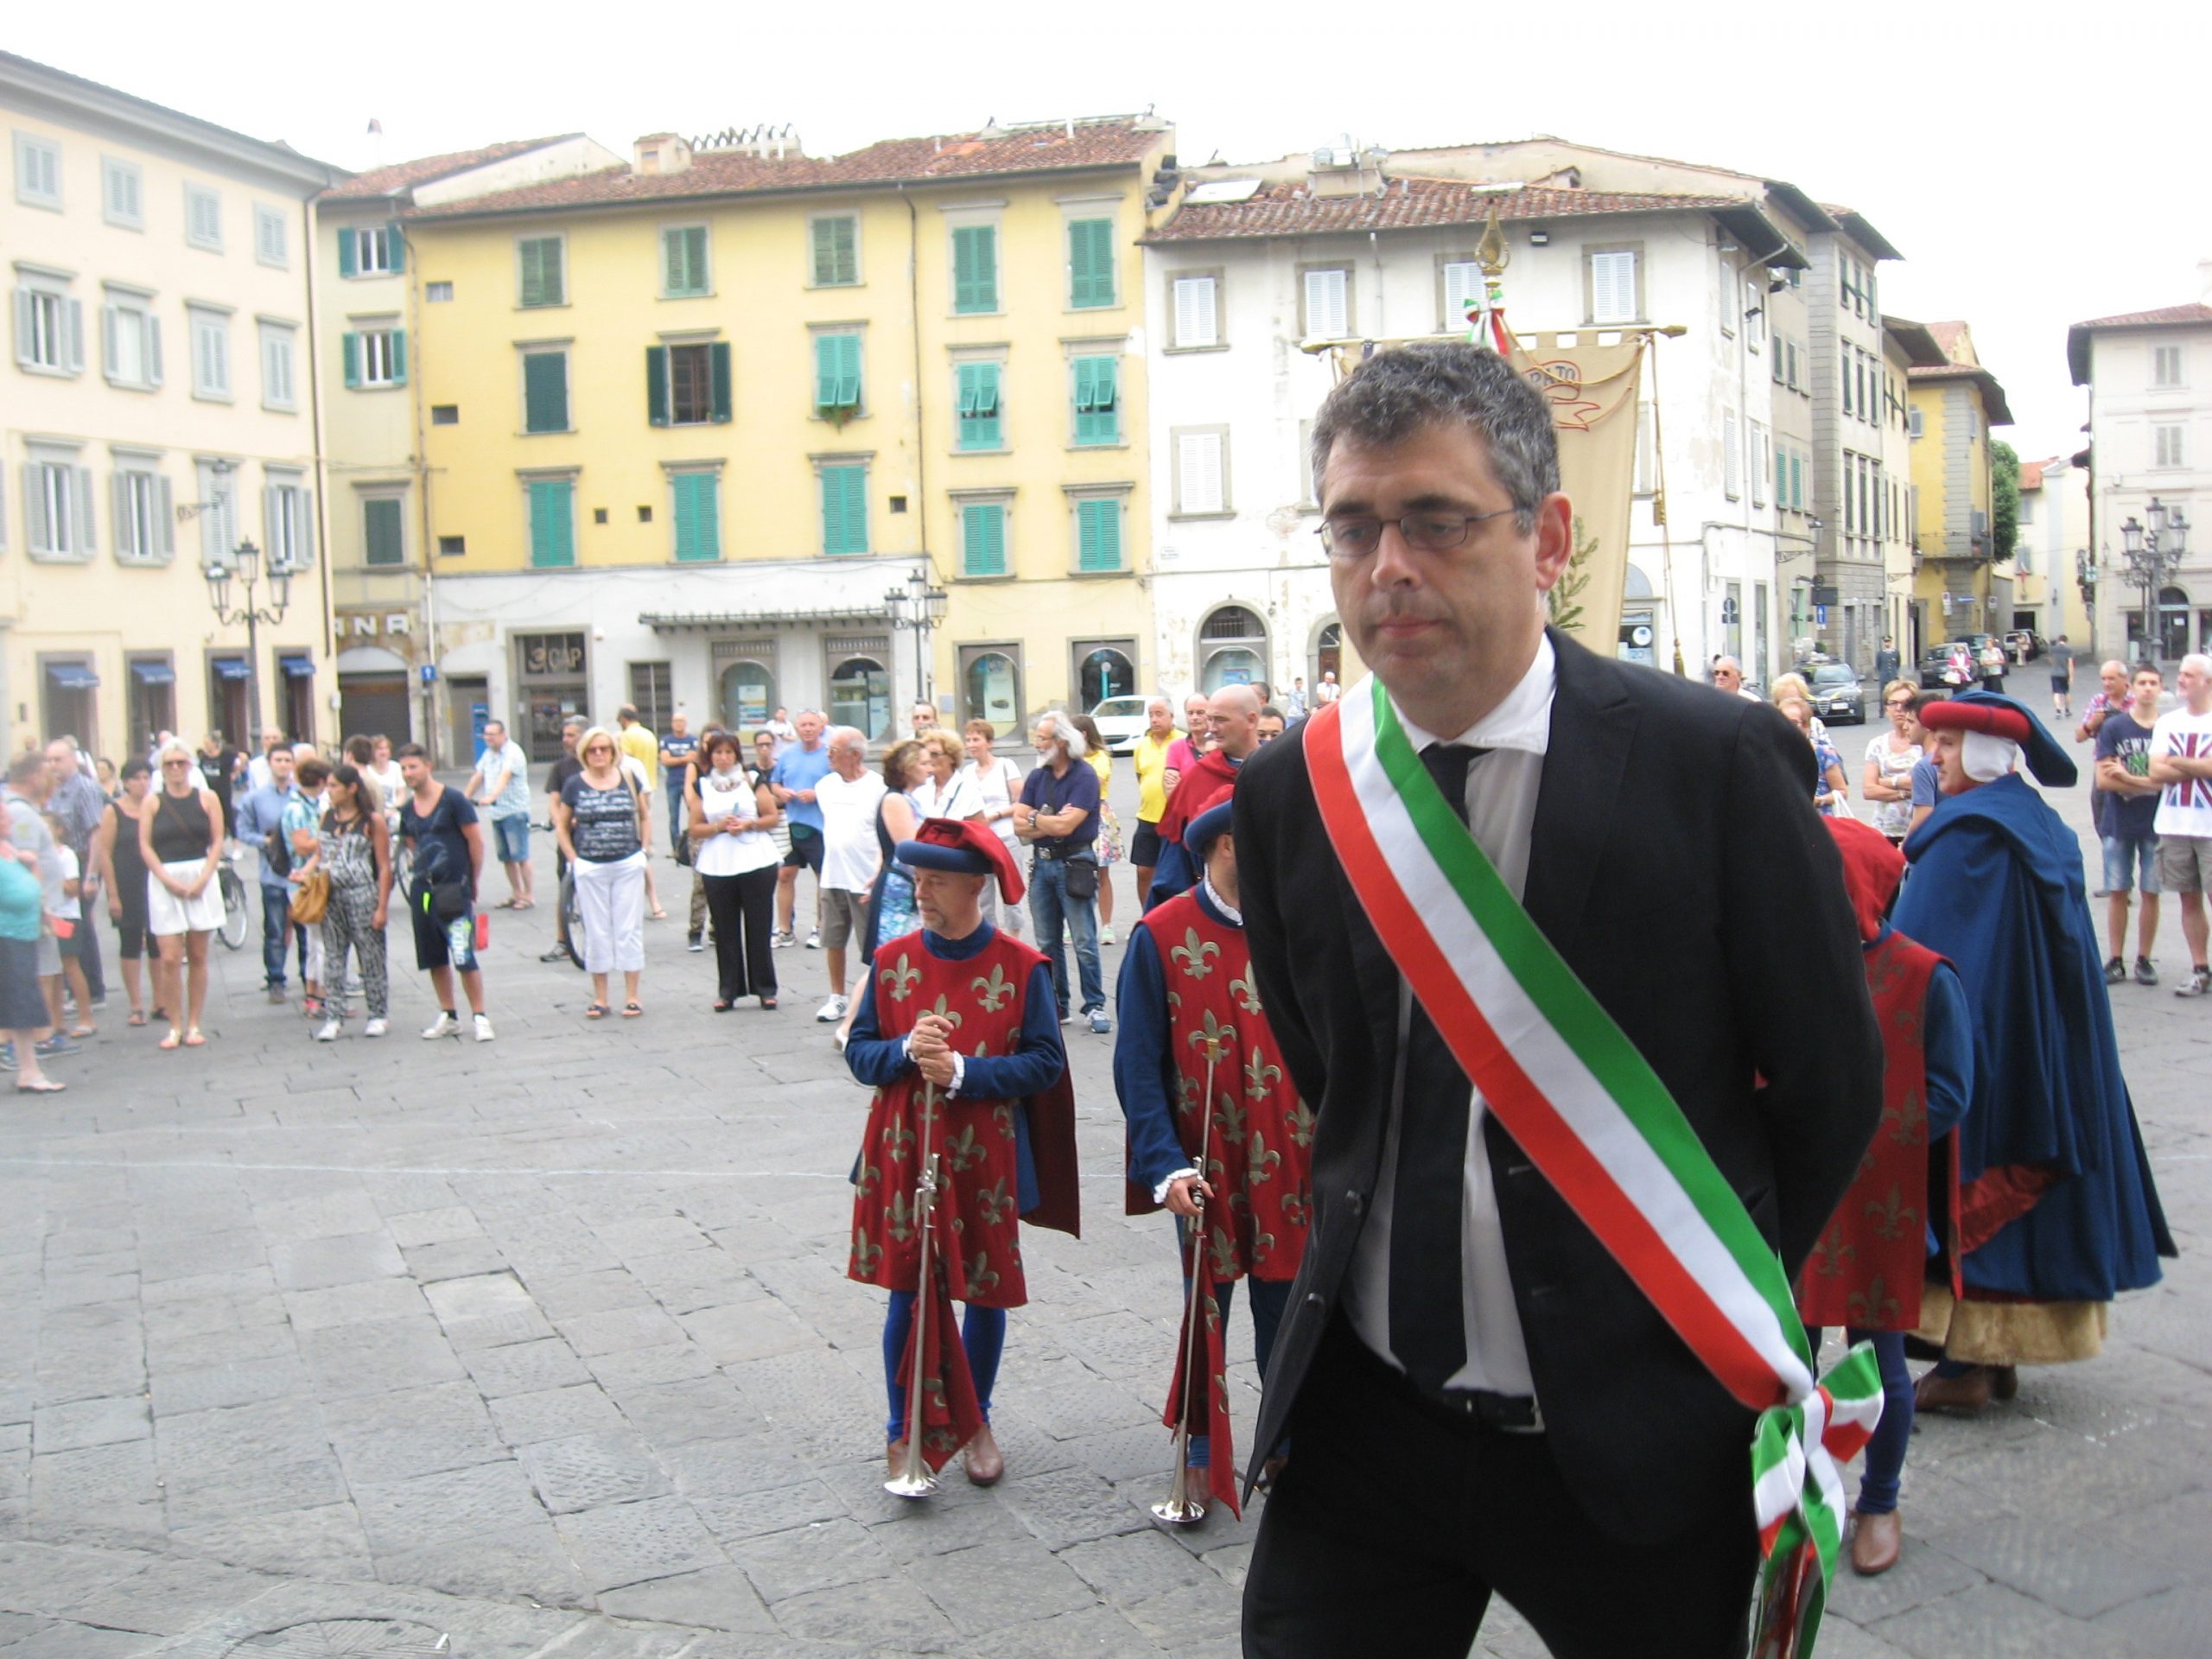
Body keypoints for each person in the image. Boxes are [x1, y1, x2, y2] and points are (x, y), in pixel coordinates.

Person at [1231, 341, 1880, 1657]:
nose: (1387, 567)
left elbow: (1830, 1084)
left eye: (1436, 520)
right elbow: (1331, 1074)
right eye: (1353, 528)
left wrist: (1683, 1288)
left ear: (1549, 538)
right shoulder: (1291, 791)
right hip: (1371, 1420)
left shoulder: (1714, 764)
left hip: (1643, 1437)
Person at [1899, 694, 2171, 1409]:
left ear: (1984, 753)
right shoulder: (2035, 821)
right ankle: (1995, 1355)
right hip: (2048, 1041)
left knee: (1972, 1171)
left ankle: (1969, 1361)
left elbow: (1925, 951)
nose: (1934, 756)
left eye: (1948, 745)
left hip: (1988, 1041)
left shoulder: (1969, 834)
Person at [842, 817, 1078, 1491]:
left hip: (984, 1156)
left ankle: (975, 1420)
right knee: (906, 1289)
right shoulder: (891, 960)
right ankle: (902, 1430)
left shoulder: (1022, 967)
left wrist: (964, 1072)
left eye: (936, 881)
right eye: (917, 880)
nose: (921, 893)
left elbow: (1044, 1063)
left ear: (976, 886)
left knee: (984, 1290)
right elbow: (860, 1053)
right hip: (903, 1148)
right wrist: (903, 1050)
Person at [1114, 798, 1311, 1521]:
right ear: (1228, 845)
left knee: (1287, 1306)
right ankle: (1199, 1450)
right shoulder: (1160, 934)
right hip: (1205, 1159)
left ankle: (1284, 1442)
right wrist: (1163, 1164)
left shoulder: (1297, 926)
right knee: (1208, 1306)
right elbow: (1137, 1063)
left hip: (1290, 1156)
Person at [1796, 817, 1973, 1577]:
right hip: (1800, 1191)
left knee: (1881, 1359)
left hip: (1878, 1197)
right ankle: (1793, 1486)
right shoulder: (1788, 963)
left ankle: (1881, 1500)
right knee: (1787, 1358)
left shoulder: (1926, 977)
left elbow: (1950, 1090)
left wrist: (1863, 1128)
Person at [1014, 711, 1108, 1033]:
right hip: (1041, 865)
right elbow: (1018, 825)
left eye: (1042, 738)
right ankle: (1057, 1006)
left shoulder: (1085, 776)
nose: (1037, 744)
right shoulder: (1037, 777)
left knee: (1083, 940)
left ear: (1062, 742)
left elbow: (1067, 827)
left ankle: (1094, 1005)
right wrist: (1047, 821)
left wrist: (1035, 819)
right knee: (1047, 942)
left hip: (1074, 862)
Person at [396, 742, 493, 1042]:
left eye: (413, 767)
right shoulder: (407, 809)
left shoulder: (453, 800)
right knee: (433, 955)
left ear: (428, 766)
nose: (408, 773)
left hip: (454, 889)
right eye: (403, 768)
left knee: (463, 953)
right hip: (424, 891)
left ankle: (480, 1015)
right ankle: (449, 1014)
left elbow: (475, 842)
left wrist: (472, 880)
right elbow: (411, 845)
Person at [555, 727, 650, 1020]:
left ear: (613, 752)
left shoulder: (628, 778)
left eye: (604, 749)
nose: (598, 754)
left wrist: (644, 851)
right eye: (592, 750)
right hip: (590, 864)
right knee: (596, 930)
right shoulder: (574, 784)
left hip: (627, 862)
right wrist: (573, 859)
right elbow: (562, 825)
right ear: (584, 754)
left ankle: (632, 996)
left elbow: (645, 815)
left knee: (629, 928)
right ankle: (600, 997)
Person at [139, 740, 225, 1050]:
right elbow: (145, 844)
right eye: (169, 764)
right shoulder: (152, 802)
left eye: (180, 762)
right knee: (170, 958)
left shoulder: (207, 798)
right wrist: (165, 879)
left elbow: (217, 839)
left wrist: (205, 877)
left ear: (190, 766)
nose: (175, 768)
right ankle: (174, 1024)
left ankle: (194, 1023)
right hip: (166, 877)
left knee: (198, 954)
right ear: (161, 769)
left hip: (200, 873)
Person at [689, 730, 781, 1011]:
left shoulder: (752, 779)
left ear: (737, 754)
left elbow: (772, 816)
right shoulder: (703, 785)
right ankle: (728, 989)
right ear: (710, 756)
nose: (724, 758)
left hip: (755, 858)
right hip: (718, 861)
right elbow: (695, 827)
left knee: (759, 925)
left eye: (729, 752)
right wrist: (719, 826)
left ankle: (765, 987)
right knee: (725, 928)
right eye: (718, 752)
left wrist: (749, 824)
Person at [1150, 685, 1262, 904]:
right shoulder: (1197, 778)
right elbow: (1174, 865)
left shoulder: (1281, 769)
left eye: (1220, 720)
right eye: (1210, 719)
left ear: (1251, 720)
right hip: (1217, 903)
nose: (1212, 728)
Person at [849, 741, 927, 1042]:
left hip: (902, 886)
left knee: (901, 960)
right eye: (922, 762)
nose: (928, 768)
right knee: (885, 961)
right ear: (907, 767)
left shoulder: (906, 798)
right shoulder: (895, 799)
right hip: (900, 892)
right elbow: (908, 848)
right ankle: (850, 1025)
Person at [2094, 664, 2165, 986]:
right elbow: (2104, 781)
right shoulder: (2115, 727)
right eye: (2142, 683)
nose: (2148, 688)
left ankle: (2144, 959)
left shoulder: (2167, 728)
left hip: (2157, 822)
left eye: (2153, 683)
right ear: (2132, 688)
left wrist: (2129, 778)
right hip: (2118, 821)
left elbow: (2173, 780)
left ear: (2161, 688)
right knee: (2118, 890)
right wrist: (2151, 783)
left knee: (2151, 892)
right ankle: (2115, 958)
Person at [811, 727, 887, 1025]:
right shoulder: (825, 786)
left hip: (865, 878)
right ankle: (837, 996)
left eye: (834, 750)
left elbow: (883, 833)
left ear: (854, 755)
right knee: (833, 939)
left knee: (872, 945)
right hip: (832, 875)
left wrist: (879, 871)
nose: (828, 755)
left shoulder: (878, 787)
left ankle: (875, 999)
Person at [2148, 652, 2212, 998]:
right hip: (2174, 824)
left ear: (2208, 682)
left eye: (2189, 675)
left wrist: (2175, 761)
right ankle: (2200, 968)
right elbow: (2155, 771)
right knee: (2189, 899)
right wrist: (2198, 765)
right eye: (2182, 673)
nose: (2181, 679)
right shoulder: (2168, 722)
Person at [314, 763, 392, 1041]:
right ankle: (333, 1015)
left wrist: (382, 906)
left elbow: (384, 866)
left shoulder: (371, 821)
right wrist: (306, 872)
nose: (329, 790)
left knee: (371, 956)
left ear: (351, 789)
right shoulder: (327, 817)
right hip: (330, 895)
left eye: (334, 786)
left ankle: (378, 1013)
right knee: (333, 957)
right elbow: (319, 854)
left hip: (361, 893)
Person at [3, 754, 71, 1062]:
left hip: (32, 908)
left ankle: (38, 1035)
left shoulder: (21, 808)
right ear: (33, 777)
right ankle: (36, 1039)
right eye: (47, 774)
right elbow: (25, 863)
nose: (51, 780)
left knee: (42, 970)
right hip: (30, 912)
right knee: (38, 972)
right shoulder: (21, 813)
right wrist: (42, 905)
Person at [232, 744, 306, 1004]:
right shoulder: (255, 798)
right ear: (269, 763)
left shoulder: (302, 795)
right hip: (272, 873)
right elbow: (243, 830)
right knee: (275, 930)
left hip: (302, 873)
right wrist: (266, 842)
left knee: (306, 929)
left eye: (287, 760)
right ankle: (276, 979)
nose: (283, 765)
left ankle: (309, 978)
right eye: (278, 760)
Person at [0, 799, 61, 1092]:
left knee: (23, 1002)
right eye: (3, 817)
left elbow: (33, 885)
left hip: (22, 935)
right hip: (6, 935)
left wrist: (33, 865)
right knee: (19, 1001)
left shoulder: (9, 849)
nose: (9, 821)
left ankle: (29, 1069)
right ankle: (29, 1070)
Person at [44, 740, 107, 1013]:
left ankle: (92, 990)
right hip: (58, 863)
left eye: (58, 760)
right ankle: (74, 988)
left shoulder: (85, 788)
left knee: (79, 925)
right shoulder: (53, 790)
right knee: (63, 925)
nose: (53, 765)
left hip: (81, 860)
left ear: (73, 760)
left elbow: (97, 832)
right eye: (49, 760)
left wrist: (91, 874)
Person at [93, 759, 155, 1026]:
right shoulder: (114, 811)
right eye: (137, 778)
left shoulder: (155, 806)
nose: (142, 783)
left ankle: (161, 1000)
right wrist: (112, 894)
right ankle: (136, 1004)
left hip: (154, 882)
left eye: (146, 778)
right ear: (126, 782)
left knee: (158, 941)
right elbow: (105, 853)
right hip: (127, 882)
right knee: (130, 941)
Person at [957, 721, 1027, 938]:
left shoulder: (1006, 766)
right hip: (979, 841)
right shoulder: (967, 772)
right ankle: (991, 939)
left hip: (1005, 836)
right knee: (982, 894)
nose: (971, 744)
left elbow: (1022, 802)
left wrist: (995, 815)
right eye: (968, 740)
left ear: (989, 743)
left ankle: (1014, 939)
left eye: (976, 739)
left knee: (1011, 890)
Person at [770, 710, 830, 948]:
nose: (807, 729)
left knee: (822, 877)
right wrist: (780, 792)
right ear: (796, 728)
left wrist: (818, 794)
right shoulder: (787, 754)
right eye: (803, 725)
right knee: (785, 875)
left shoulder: (828, 754)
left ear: (820, 727)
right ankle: (785, 929)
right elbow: (774, 782)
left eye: (812, 724)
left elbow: (840, 784)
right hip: (791, 824)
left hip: (819, 826)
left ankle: (821, 926)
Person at [467, 719, 534, 912]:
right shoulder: (489, 754)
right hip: (497, 813)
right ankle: (516, 893)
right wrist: (464, 798)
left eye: (492, 734)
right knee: (506, 857)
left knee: (520, 855)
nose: (488, 738)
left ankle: (529, 895)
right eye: (486, 734)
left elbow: (505, 776)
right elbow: (478, 776)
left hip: (514, 811)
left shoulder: (513, 753)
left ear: (504, 735)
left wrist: (491, 797)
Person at [1069, 713, 1122, 947]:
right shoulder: (1069, 759)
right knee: (1072, 870)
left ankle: (1107, 925)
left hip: (1096, 815)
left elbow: (1089, 786)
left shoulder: (1100, 758)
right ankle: (1073, 924)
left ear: (1083, 735)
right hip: (1072, 814)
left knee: (1101, 873)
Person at [284, 755, 332, 1018]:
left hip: (311, 878)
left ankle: (313, 994)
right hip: (307, 881)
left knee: (315, 942)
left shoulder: (310, 804)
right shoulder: (297, 808)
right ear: (322, 781)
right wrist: (330, 838)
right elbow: (301, 846)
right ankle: (321, 995)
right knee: (321, 941)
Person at [539, 716, 588, 963]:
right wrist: (561, 822)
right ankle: (563, 941)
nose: (565, 740)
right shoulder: (561, 768)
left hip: (595, 836)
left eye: (571, 735)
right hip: (569, 836)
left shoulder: (598, 763)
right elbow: (554, 801)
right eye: (565, 735)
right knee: (564, 887)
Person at [42, 812, 94, 1039]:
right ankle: (57, 1022)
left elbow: (73, 888)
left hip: (65, 917)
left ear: (59, 830)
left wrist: (48, 874)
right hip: (46, 917)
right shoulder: (39, 856)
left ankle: (86, 1018)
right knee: (51, 970)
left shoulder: (66, 855)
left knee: (70, 965)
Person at [1128, 697, 1182, 911]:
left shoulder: (1182, 741)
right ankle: (1148, 915)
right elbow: (1140, 777)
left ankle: (1174, 914)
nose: (1154, 719)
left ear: (1171, 716)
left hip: (1175, 819)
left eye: (1159, 714)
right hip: (1147, 817)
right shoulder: (1142, 746)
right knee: (1144, 871)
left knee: (1176, 872)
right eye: (1151, 715)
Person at [1863, 681, 1923, 843]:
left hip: (1919, 830)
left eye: (1905, 703)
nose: (1899, 708)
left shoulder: (1923, 742)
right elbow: (1869, 790)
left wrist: (1888, 782)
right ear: (1886, 708)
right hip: (1885, 831)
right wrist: (1904, 793)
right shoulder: (1877, 745)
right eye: (1893, 703)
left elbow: (1925, 783)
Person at [1779, 696, 1850, 813]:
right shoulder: (1772, 756)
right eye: (1782, 721)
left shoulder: (1824, 755)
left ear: (1806, 726)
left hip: (1819, 820)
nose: (1785, 727)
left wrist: (1820, 800)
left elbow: (1842, 791)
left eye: (1793, 723)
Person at [1907, 689, 1948, 838]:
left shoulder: (1923, 767)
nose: (1905, 727)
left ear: (1928, 725)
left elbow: (1922, 817)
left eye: (1911, 722)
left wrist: (1904, 845)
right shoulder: (1956, 759)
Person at [659, 712, 698, 855]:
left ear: (686, 723)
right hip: (673, 782)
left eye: (681, 721)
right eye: (676, 721)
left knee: (694, 814)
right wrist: (685, 758)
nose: (678, 724)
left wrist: (674, 759)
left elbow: (694, 758)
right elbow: (665, 760)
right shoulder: (666, 740)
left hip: (690, 782)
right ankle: (676, 849)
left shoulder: (693, 740)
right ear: (672, 723)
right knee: (673, 817)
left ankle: (693, 845)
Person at [196, 730, 245, 834]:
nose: (205, 745)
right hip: (209, 789)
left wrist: (235, 773)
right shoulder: (204, 756)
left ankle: (234, 837)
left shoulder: (226, 754)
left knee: (227, 812)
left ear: (214, 743)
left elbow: (242, 758)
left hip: (223, 788)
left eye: (207, 743)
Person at [2048, 633, 2075, 719]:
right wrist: (2071, 676)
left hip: (2054, 673)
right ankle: (2067, 710)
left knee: (2056, 693)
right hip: (2064, 674)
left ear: (2059, 640)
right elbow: (2070, 664)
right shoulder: (2068, 650)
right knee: (2066, 692)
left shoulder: (2053, 649)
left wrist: (2054, 664)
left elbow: (2050, 659)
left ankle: (2058, 711)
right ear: (2066, 641)